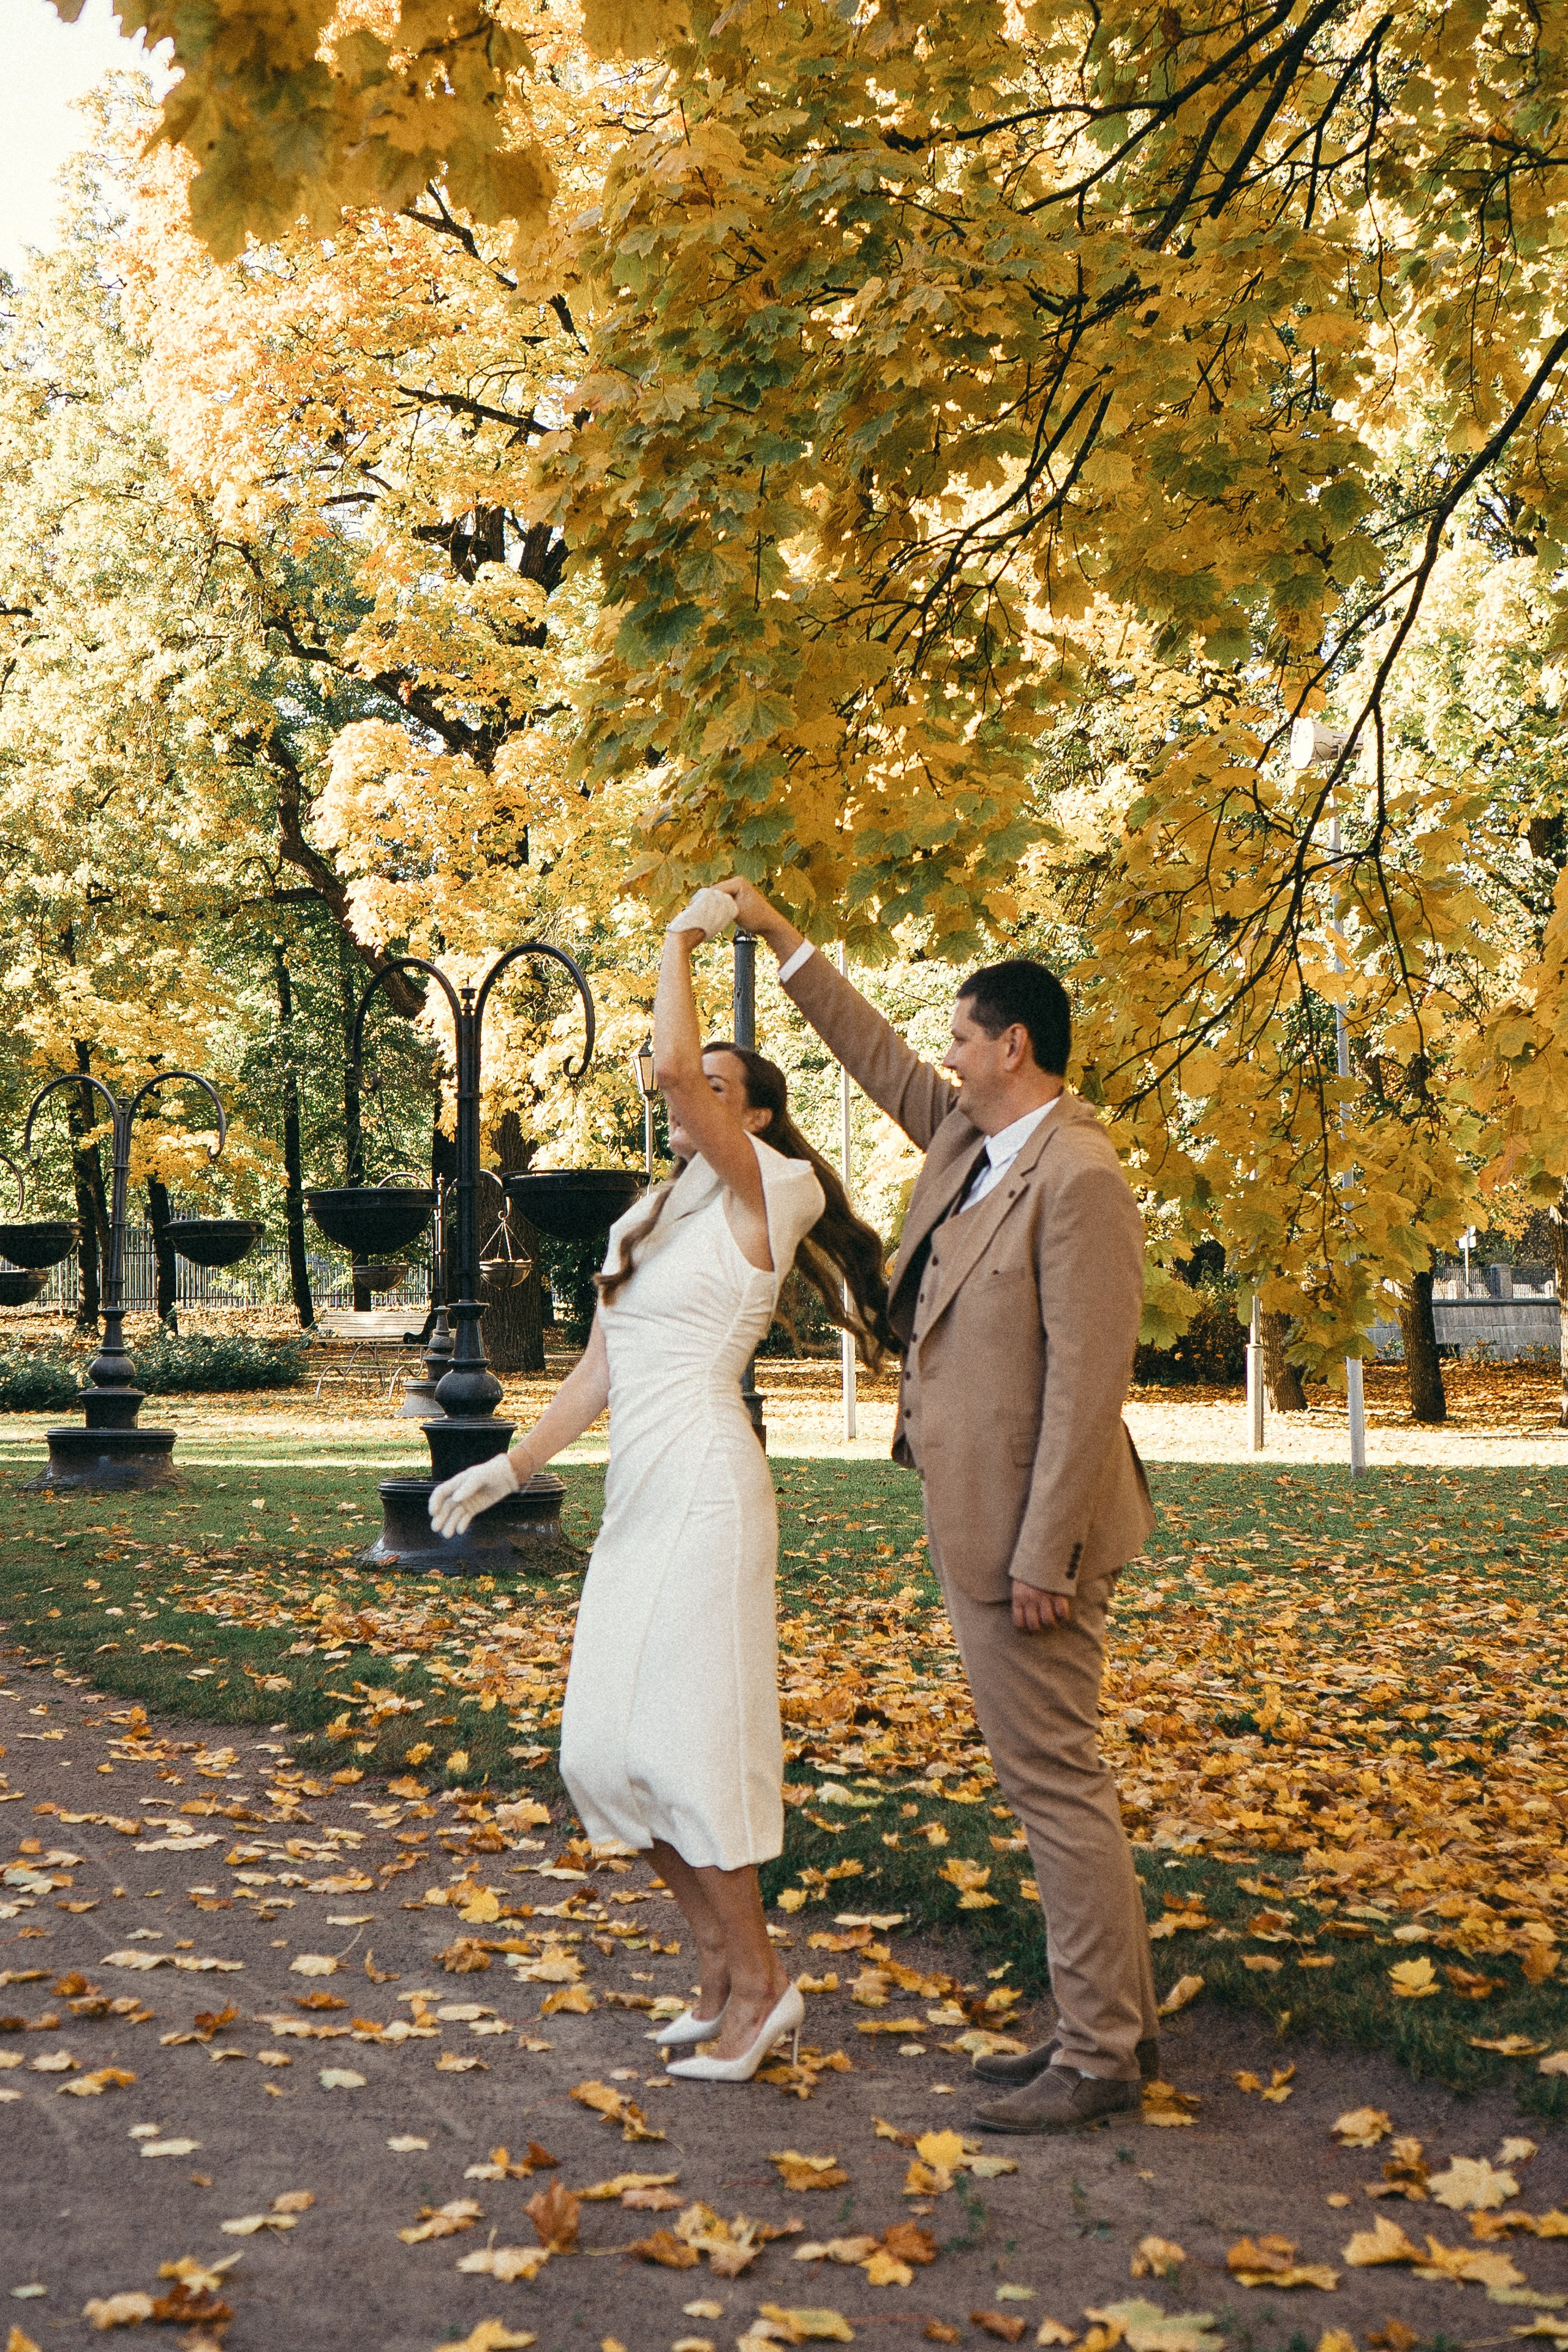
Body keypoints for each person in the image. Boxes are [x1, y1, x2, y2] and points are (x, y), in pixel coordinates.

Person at [428, 888, 894, 2082]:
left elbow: (675, 1075)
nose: (690, 1099)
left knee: (685, 1748)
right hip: (639, 1490)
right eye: (704, 1089)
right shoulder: (648, 1218)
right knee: (603, 1753)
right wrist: (507, 1465)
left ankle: (761, 1987)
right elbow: (596, 1367)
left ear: (760, 1117)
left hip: (702, 1481)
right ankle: (723, 1970)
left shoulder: (768, 1192)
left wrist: (682, 939)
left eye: (721, 1091)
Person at [716, 876, 1159, 2133]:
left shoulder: (1074, 1176)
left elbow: (1086, 1385)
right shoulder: (975, 1140)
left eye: (961, 1037)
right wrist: (783, 939)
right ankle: (1107, 2030)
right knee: (1052, 1780)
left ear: (1010, 1046)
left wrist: (1046, 1552)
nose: (944, 1057)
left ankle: (1096, 2055)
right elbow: (870, 1057)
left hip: (1033, 1537)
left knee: (1053, 1782)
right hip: (982, 1519)